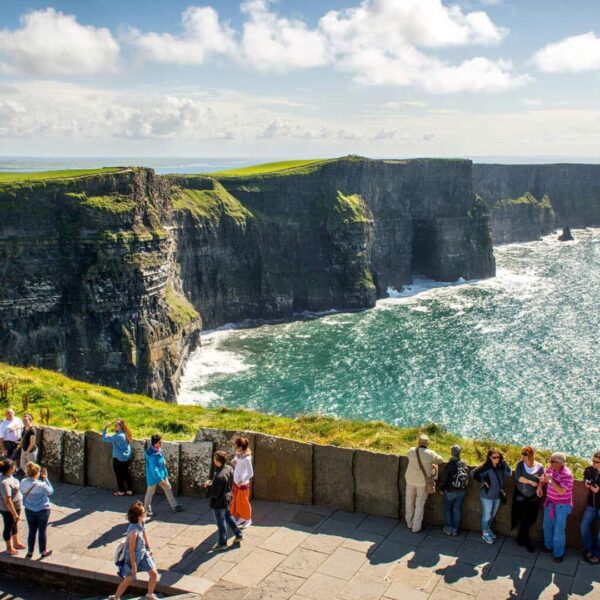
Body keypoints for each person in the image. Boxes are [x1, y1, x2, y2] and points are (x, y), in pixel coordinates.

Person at [110, 501, 158, 600]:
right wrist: (134, 566)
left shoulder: (141, 522)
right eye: (144, 512)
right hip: (133, 557)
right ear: (138, 516)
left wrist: (149, 547)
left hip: (143, 552)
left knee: (153, 574)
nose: (145, 513)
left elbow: (144, 534)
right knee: (128, 579)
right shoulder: (133, 531)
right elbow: (131, 550)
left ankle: (149, 595)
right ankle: (116, 597)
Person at [537, 452, 573, 563]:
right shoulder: (551, 469)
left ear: (560, 463)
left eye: (553, 461)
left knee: (559, 530)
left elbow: (561, 491)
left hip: (562, 506)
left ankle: (558, 553)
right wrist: (539, 486)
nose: (550, 463)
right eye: (550, 460)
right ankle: (548, 547)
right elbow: (544, 478)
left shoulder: (567, 474)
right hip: (550, 503)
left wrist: (550, 481)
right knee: (547, 526)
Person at [203, 450, 244, 550]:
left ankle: (222, 543)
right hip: (227, 498)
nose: (213, 460)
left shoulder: (219, 477)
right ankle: (238, 534)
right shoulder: (229, 468)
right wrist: (213, 483)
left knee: (221, 523)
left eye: (214, 458)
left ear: (217, 461)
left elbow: (215, 494)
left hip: (219, 503)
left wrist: (207, 486)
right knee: (228, 516)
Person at [404, 434, 444, 533]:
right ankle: (416, 527)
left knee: (409, 501)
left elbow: (408, 455)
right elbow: (440, 460)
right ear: (427, 443)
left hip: (410, 480)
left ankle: (409, 523)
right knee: (419, 504)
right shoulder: (430, 453)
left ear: (418, 442)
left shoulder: (411, 450)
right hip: (422, 482)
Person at [472, 448, 511, 544]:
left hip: (497, 496)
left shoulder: (500, 466)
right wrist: (484, 481)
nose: (496, 459)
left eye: (498, 457)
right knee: (487, 515)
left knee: (492, 515)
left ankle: (488, 529)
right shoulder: (486, 467)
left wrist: (504, 461)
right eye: (494, 457)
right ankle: (485, 533)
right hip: (486, 496)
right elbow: (473, 473)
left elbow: (509, 473)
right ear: (489, 457)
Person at [512, 446, 544, 552]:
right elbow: (518, 477)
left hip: (533, 498)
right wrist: (531, 482)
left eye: (525, 454)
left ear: (531, 455)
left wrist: (539, 486)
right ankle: (527, 542)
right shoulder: (520, 465)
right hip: (521, 497)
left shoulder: (539, 467)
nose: (522, 456)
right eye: (522, 453)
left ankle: (520, 539)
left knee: (531, 520)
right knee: (524, 519)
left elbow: (541, 479)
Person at [20, 462, 53, 559]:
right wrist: (46, 478)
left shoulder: (23, 482)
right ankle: (43, 551)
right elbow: (50, 492)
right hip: (43, 509)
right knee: (42, 531)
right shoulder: (41, 485)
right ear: (37, 473)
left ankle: (30, 552)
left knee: (31, 530)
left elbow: (22, 491)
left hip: (29, 509)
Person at [144, 434, 182, 516]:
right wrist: (159, 480)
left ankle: (175, 506)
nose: (161, 444)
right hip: (154, 477)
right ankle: (146, 510)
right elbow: (154, 469)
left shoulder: (157, 449)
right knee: (150, 493)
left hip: (161, 473)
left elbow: (160, 459)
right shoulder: (152, 455)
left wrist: (163, 461)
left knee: (167, 488)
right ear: (155, 443)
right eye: (159, 442)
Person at [439, 444, 469, 536]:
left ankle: (448, 528)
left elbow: (445, 478)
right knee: (457, 510)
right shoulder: (463, 463)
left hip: (450, 491)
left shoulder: (450, 464)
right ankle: (455, 530)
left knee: (448, 509)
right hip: (461, 490)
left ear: (452, 453)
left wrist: (441, 488)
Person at [102, 419, 133, 496]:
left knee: (119, 475)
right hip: (127, 458)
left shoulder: (118, 436)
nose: (114, 426)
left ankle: (121, 491)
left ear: (120, 426)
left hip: (118, 459)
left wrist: (105, 428)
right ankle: (130, 490)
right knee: (126, 474)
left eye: (116, 425)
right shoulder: (126, 434)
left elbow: (104, 438)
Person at [0, 459, 25, 555]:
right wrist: (14, 513)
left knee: (14, 524)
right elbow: (7, 500)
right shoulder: (4, 482)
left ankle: (16, 542)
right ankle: (9, 547)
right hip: (8, 509)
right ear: (11, 468)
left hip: (16, 506)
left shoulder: (8, 476)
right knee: (9, 526)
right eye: (14, 466)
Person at [580, 451, 600, 564]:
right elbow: (586, 476)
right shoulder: (590, 470)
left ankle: (597, 554)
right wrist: (586, 482)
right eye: (593, 460)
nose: (593, 463)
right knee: (583, 526)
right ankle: (588, 549)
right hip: (591, 505)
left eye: (596, 462)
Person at [230, 436, 253, 529]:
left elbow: (251, 473)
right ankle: (242, 517)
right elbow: (236, 459)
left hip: (242, 484)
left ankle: (248, 519)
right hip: (236, 481)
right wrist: (234, 461)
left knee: (244, 502)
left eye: (235, 445)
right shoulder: (239, 453)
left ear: (240, 447)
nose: (234, 446)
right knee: (237, 501)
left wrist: (241, 481)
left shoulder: (247, 459)